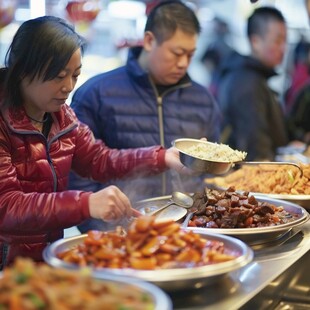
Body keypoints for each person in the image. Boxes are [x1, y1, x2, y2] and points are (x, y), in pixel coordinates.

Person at [0, 15, 191, 269]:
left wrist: (161, 157)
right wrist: (86, 203)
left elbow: (99, 159)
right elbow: (7, 205)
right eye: (58, 76)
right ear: (23, 70)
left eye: (75, 75)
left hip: (44, 261)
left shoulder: (62, 118)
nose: (68, 87)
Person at [68, 0, 221, 232]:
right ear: (149, 40)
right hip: (120, 231)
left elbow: (209, 175)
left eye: (190, 55)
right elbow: (78, 174)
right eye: (177, 53)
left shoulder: (202, 99)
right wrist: (97, 229)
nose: (183, 63)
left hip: (189, 230)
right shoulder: (97, 93)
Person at [215, 6, 289, 161]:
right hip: (249, 179)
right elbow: (255, 148)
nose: (283, 48)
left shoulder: (254, 77)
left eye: (285, 41)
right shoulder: (247, 83)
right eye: (278, 40)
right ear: (255, 41)